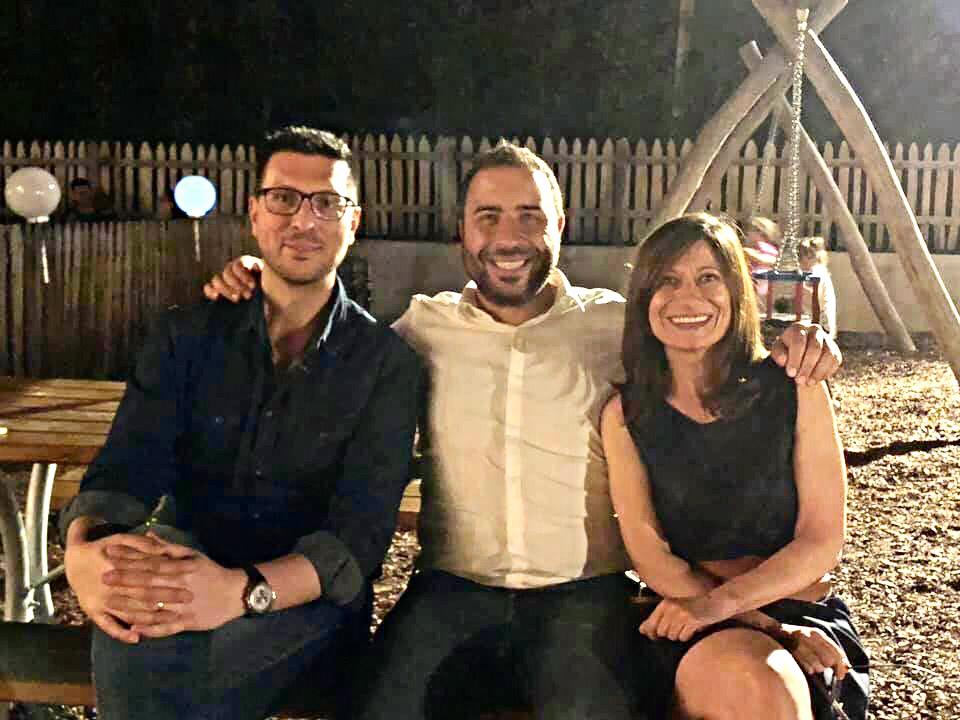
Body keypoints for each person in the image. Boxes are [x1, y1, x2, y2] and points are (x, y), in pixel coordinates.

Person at [204, 143, 843, 719]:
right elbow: (329, 347)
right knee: (383, 707)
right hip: (452, 588)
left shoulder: (617, 327)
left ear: (559, 226)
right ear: (461, 232)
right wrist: (265, 282)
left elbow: (706, 335)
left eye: (529, 216)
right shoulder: (421, 331)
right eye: (488, 217)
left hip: (583, 594)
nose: (509, 237)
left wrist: (802, 343)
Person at [59, 126, 423, 720]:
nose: (303, 220)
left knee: (163, 672)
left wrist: (240, 591)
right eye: (283, 198)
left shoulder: (385, 364)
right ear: (255, 214)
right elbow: (128, 462)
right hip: (190, 557)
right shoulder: (187, 335)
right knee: (141, 629)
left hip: (304, 599)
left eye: (326, 203)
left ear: (353, 223)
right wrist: (84, 550)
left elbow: (357, 538)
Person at [601, 213, 868, 719]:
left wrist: (732, 608)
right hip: (691, 609)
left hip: (797, 607)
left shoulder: (795, 387)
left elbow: (821, 538)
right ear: (644, 299)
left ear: (737, 291)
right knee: (754, 683)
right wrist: (764, 627)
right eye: (667, 281)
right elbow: (650, 553)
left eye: (709, 278)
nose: (688, 298)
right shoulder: (627, 415)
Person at [798, 236, 838, 338]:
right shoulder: (819, 270)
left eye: (800, 257)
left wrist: (798, 287)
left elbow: (814, 296)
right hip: (822, 320)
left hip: (821, 322)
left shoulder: (816, 272)